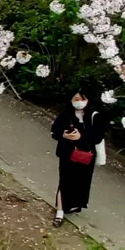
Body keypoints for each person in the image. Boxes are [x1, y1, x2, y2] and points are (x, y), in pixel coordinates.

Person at [51, 91, 106, 223]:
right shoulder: (66, 115)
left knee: (81, 181)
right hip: (66, 153)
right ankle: (60, 210)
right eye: (75, 99)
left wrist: (81, 136)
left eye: (82, 99)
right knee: (64, 180)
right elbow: (55, 131)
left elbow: (98, 136)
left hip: (86, 155)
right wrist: (64, 135)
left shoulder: (95, 116)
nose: (78, 102)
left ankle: (73, 205)